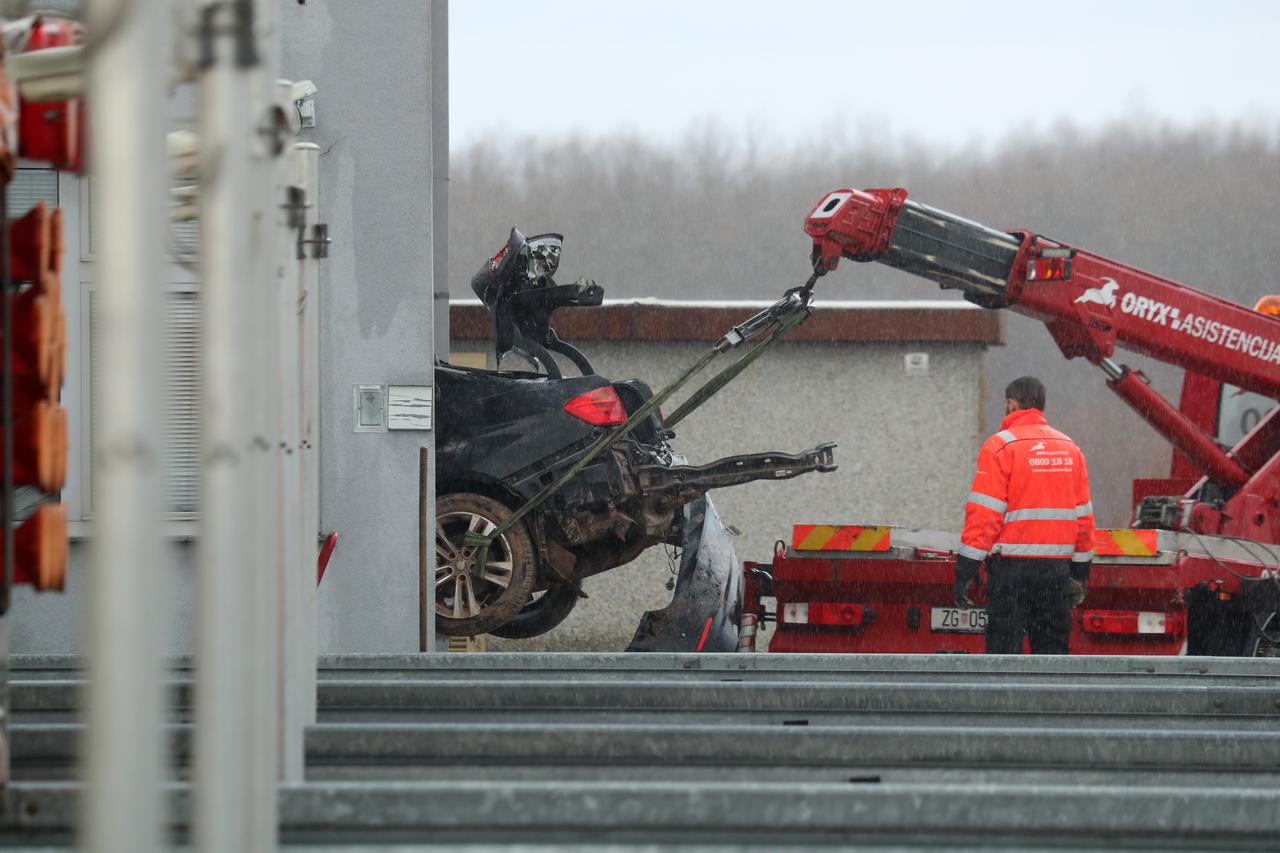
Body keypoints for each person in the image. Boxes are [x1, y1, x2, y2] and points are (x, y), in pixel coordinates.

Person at [953, 376, 1095, 654]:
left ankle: (1008, 697)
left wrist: (966, 569)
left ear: (1011, 403)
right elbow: (1084, 518)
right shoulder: (1070, 449)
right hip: (1055, 572)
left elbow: (985, 515)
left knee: (1005, 651)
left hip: (1011, 572)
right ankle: (1050, 697)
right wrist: (1080, 571)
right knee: (1052, 652)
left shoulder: (1000, 446)